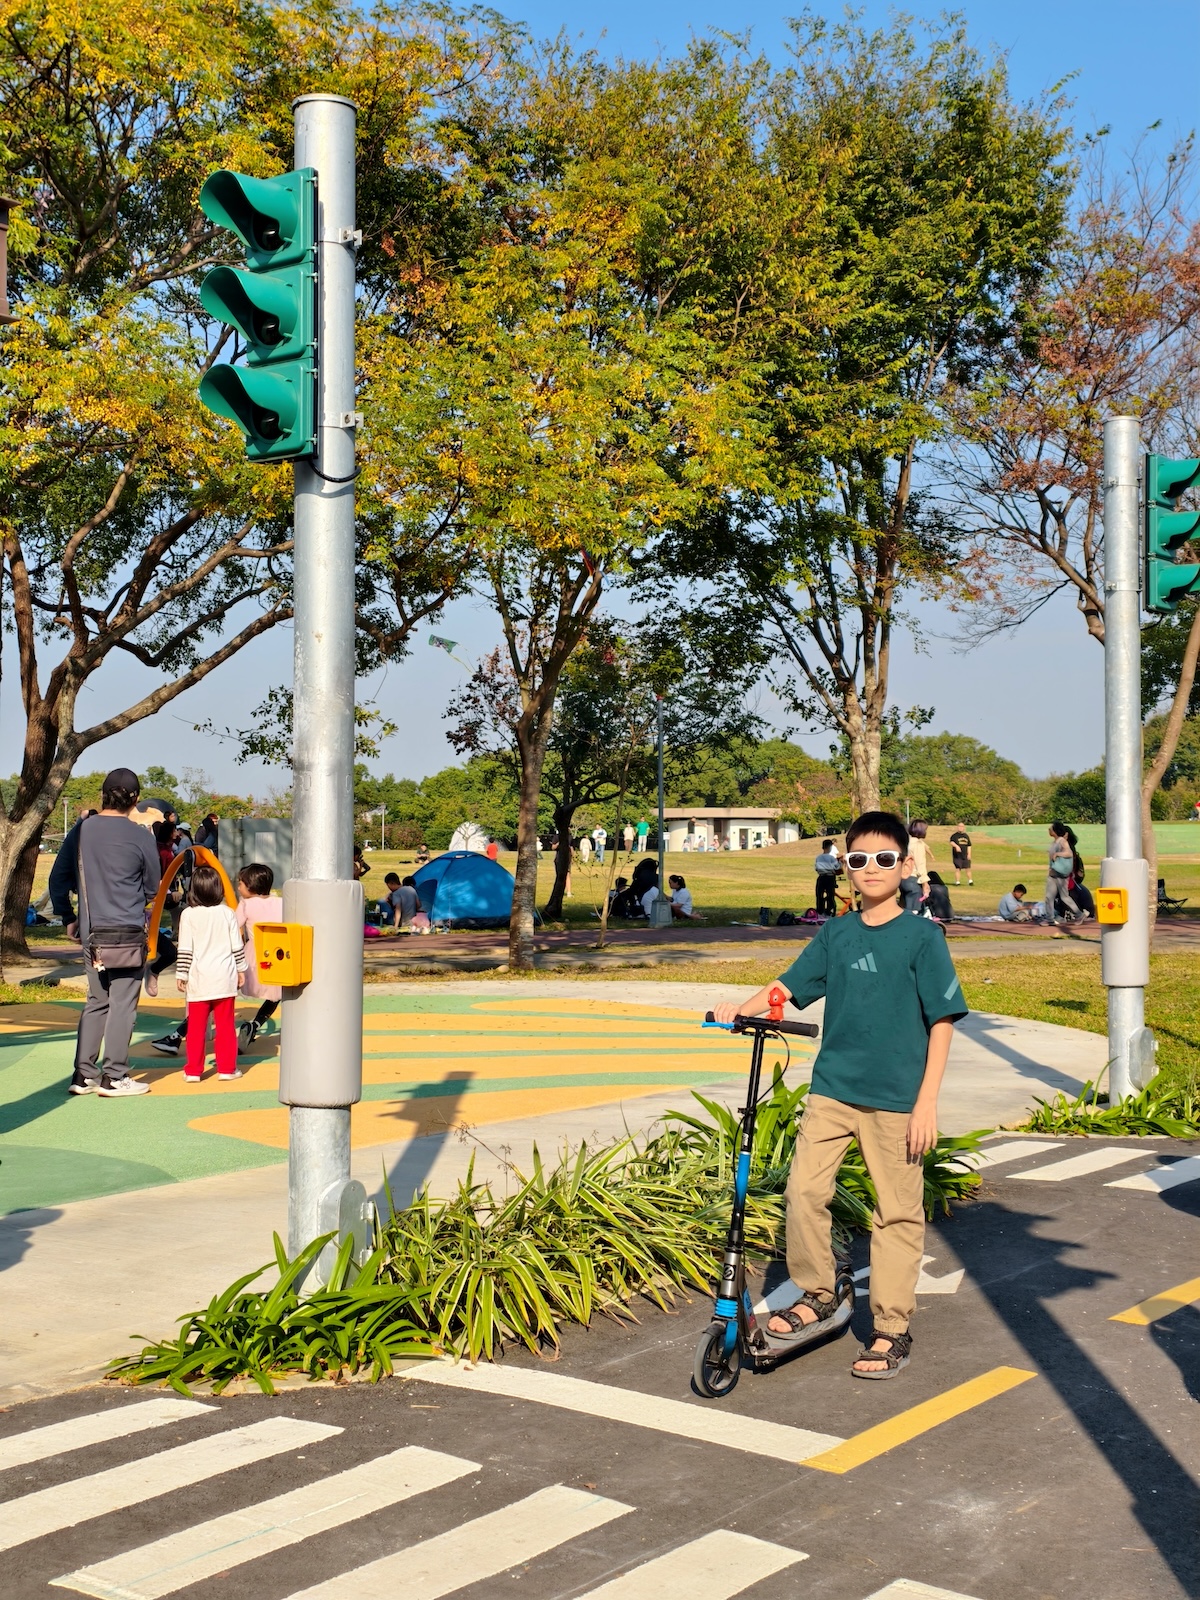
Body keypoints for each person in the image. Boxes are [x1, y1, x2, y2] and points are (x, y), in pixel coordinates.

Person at [712, 810, 966, 1379]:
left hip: (898, 1099)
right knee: (804, 1192)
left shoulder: (922, 937)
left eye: (883, 859)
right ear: (844, 867)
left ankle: (891, 1328)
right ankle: (818, 1291)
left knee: (895, 1213)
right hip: (833, 1089)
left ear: (904, 865)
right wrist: (740, 1009)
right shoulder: (837, 933)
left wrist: (927, 1102)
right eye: (858, 860)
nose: (870, 869)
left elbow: (943, 1021)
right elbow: (787, 986)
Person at [50, 768, 161, 1097]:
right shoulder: (141, 834)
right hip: (126, 930)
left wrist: (67, 916)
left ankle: (84, 1075)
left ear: (103, 794)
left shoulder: (82, 830)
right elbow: (153, 887)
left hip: (91, 930)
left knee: (97, 1000)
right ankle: (115, 1075)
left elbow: (59, 876)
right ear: (136, 800)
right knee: (123, 1002)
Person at [176, 863, 246, 1081]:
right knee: (225, 1026)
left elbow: (185, 948)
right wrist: (242, 970)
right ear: (219, 889)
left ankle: (193, 1071)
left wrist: (182, 974)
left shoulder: (188, 915)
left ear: (193, 890)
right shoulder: (227, 913)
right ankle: (226, 1069)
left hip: (199, 979)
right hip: (224, 977)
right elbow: (237, 946)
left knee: (196, 1028)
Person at [235, 863, 284, 1051]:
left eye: (241, 883)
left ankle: (186, 1029)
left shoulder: (246, 904)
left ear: (250, 886)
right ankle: (255, 1025)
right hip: (277, 954)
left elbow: (234, 925)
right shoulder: (280, 902)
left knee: (227, 989)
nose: (238, 887)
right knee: (276, 995)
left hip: (255, 955)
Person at [1045, 822, 1081, 924]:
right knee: (1050, 896)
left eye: (1051, 828)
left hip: (1059, 873)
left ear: (1055, 830)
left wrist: (1057, 854)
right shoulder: (1055, 842)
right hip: (1054, 872)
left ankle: (1079, 914)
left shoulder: (1061, 841)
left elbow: (1069, 853)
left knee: (1063, 897)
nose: (1049, 829)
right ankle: (1050, 918)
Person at [901, 819, 933, 913]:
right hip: (912, 877)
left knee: (905, 906)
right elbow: (920, 865)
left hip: (902, 878)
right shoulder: (918, 844)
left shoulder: (906, 842)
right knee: (914, 910)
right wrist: (925, 883)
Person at [813, 838, 841, 917]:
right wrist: (840, 862)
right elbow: (837, 867)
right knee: (830, 894)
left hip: (821, 877)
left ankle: (820, 910)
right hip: (830, 877)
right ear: (830, 847)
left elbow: (816, 868)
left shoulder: (818, 857)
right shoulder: (831, 858)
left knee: (819, 894)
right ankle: (829, 910)